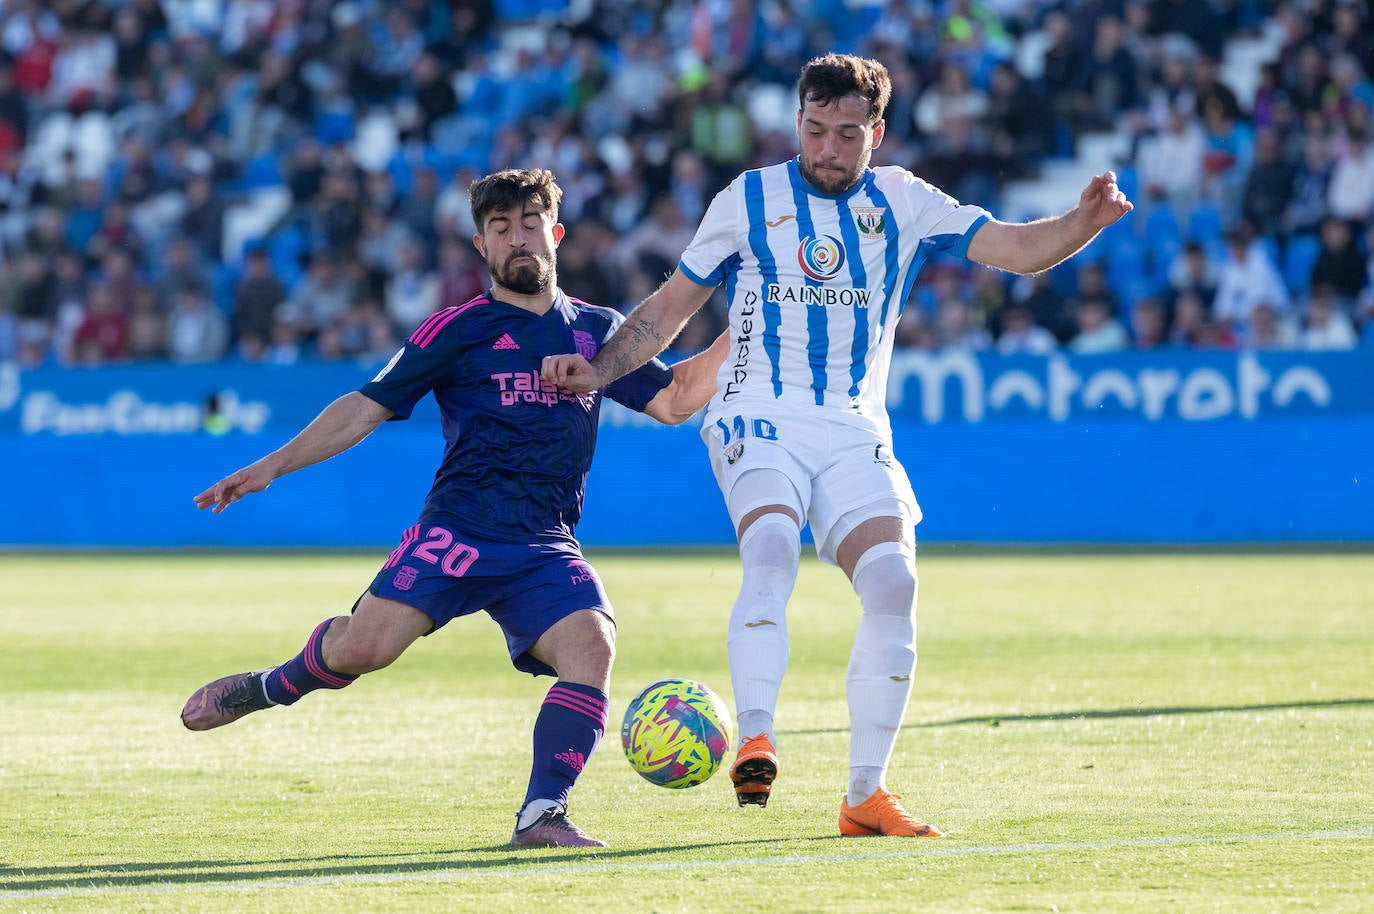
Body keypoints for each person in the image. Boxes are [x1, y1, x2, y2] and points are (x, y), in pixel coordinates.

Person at [542, 53, 1132, 839]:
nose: (827, 148)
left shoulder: (904, 199)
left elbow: (1018, 250)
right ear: (797, 123)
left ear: (876, 133)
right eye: (814, 130)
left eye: (846, 134)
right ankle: (755, 732)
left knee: (893, 582)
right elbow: (667, 311)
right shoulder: (748, 198)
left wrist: (1084, 222)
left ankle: (865, 794)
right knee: (774, 546)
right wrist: (602, 368)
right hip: (756, 409)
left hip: (854, 423)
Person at [180, 168, 728, 849]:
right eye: (500, 229)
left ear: (556, 235)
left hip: (544, 544)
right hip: (459, 531)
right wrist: (270, 466)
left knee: (593, 646)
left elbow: (675, 400)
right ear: (482, 248)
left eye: (530, 224)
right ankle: (271, 685)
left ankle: (541, 817)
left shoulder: (599, 332)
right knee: (364, 650)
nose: (517, 239)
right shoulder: (456, 330)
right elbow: (362, 408)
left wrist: (751, 331)